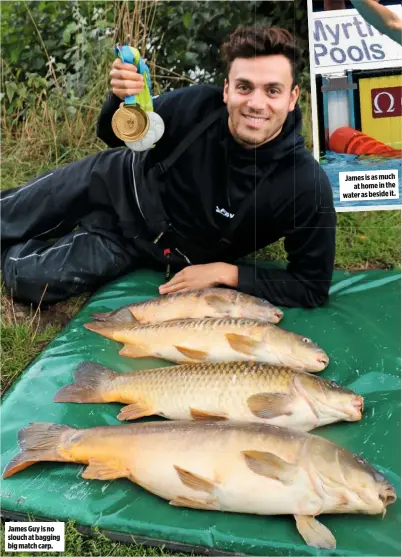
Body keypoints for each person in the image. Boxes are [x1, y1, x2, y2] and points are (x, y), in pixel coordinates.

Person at [1, 26, 336, 308]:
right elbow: (115, 136)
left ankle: (30, 246)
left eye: (272, 91)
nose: (255, 103)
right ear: (226, 90)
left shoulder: (305, 185)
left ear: (292, 98)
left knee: (29, 280)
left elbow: (312, 285)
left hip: (134, 244)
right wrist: (122, 98)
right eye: (244, 87)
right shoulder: (197, 105)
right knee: (6, 217)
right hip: (111, 179)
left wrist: (224, 272)